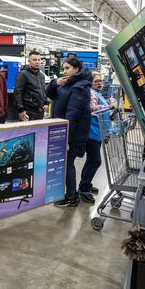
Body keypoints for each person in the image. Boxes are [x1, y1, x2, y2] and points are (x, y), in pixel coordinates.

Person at [46, 57, 92, 207]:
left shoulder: (80, 87)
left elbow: (72, 115)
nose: (64, 71)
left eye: (67, 68)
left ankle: (71, 197)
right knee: (65, 164)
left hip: (71, 134)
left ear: (76, 69)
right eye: (63, 68)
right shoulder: (66, 83)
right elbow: (50, 95)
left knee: (68, 164)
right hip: (60, 130)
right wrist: (55, 83)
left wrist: (66, 138)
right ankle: (69, 194)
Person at [78, 72, 111, 204]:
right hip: (91, 133)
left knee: (91, 161)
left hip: (97, 133)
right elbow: (91, 109)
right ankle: (84, 188)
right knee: (95, 161)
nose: (99, 83)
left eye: (101, 81)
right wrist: (108, 106)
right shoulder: (91, 93)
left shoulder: (97, 93)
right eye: (96, 81)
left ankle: (85, 184)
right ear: (90, 82)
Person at [14, 51, 48, 121]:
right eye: (34, 60)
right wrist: (21, 109)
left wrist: (46, 102)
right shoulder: (23, 74)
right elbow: (18, 92)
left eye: (39, 60)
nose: (37, 62)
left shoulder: (41, 75)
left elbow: (43, 91)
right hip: (28, 111)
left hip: (40, 111)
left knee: (40, 131)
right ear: (28, 61)